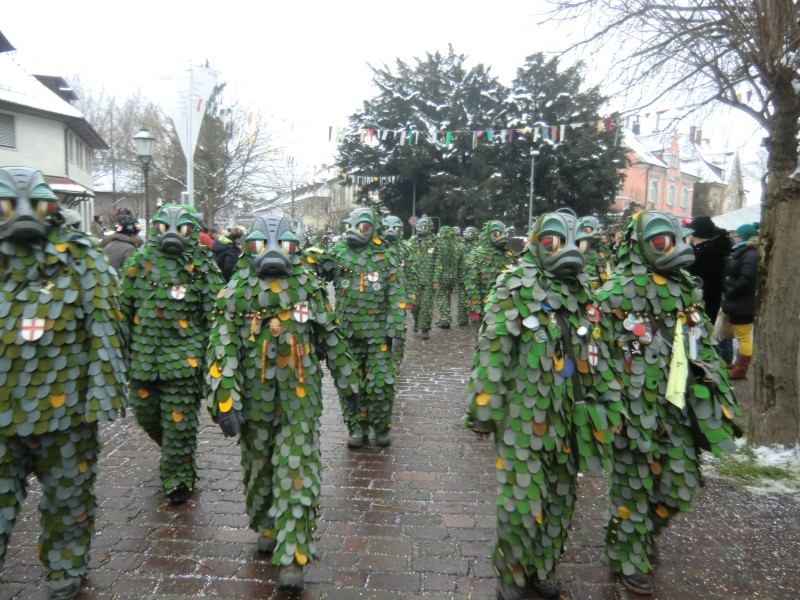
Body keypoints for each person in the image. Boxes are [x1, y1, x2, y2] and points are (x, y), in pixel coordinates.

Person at [468, 209, 622, 600]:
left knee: (560, 499)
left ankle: (542, 567)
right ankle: (512, 573)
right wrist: (485, 403)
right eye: (555, 241)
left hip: (574, 417)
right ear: (537, 243)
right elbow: (494, 351)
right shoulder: (514, 285)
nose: (568, 250)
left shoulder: (585, 292)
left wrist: (609, 399)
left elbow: (596, 351)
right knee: (522, 498)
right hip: (524, 415)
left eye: (577, 242)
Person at [207, 215, 359, 589]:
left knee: (297, 468)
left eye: (285, 245)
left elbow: (330, 337)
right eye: (260, 245)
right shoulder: (235, 293)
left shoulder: (309, 288)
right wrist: (225, 398)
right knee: (258, 468)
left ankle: (294, 555)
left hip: (300, 401)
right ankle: (267, 525)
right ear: (248, 249)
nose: (273, 252)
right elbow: (222, 347)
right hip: (255, 402)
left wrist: (349, 381)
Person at [0, 167, 128, 600]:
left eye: (34, 203)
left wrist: (104, 392)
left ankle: (65, 570)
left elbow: (107, 326)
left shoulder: (82, 256)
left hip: (68, 410)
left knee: (68, 497)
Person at [596, 210, 740, 595]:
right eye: (661, 240)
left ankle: (636, 534)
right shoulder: (612, 296)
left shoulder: (686, 290)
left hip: (679, 409)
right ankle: (628, 552)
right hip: (633, 413)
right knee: (633, 489)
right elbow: (598, 357)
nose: (673, 247)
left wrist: (714, 383)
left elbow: (700, 342)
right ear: (639, 245)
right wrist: (610, 405)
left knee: (680, 485)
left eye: (675, 238)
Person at [121, 204, 225, 505]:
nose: (172, 235)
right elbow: (124, 309)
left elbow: (215, 316)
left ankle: (178, 476)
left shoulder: (202, 265)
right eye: (165, 227)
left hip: (185, 360)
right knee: (147, 416)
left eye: (181, 229)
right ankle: (176, 456)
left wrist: (211, 358)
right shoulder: (139, 262)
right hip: (143, 359)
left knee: (178, 422)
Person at [311, 207, 406, 447]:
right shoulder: (339, 254)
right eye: (349, 226)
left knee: (381, 383)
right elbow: (316, 271)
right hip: (346, 332)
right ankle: (357, 428)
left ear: (374, 228)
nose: (354, 231)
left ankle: (381, 426)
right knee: (350, 383)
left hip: (378, 335)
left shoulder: (387, 257)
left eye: (362, 226)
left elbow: (396, 296)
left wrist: (393, 329)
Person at [722, 222, 759, 380]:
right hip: (739, 300)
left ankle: (742, 369)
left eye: (735, 235)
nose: (733, 237)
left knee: (743, 336)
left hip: (742, 302)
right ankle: (739, 364)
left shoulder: (750, 253)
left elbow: (746, 278)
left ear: (743, 237)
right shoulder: (745, 251)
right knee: (741, 335)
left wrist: (731, 291)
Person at [408, 216, 437, 339]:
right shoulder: (412, 241)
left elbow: (438, 262)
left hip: (429, 280)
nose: (421, 229)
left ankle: (425, 328)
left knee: (426, 305)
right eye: (419, 226)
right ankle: (416, 320)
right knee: (414, 305)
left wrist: (436, 280)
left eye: (423, 226)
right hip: (414, 280)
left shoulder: (435, 242)